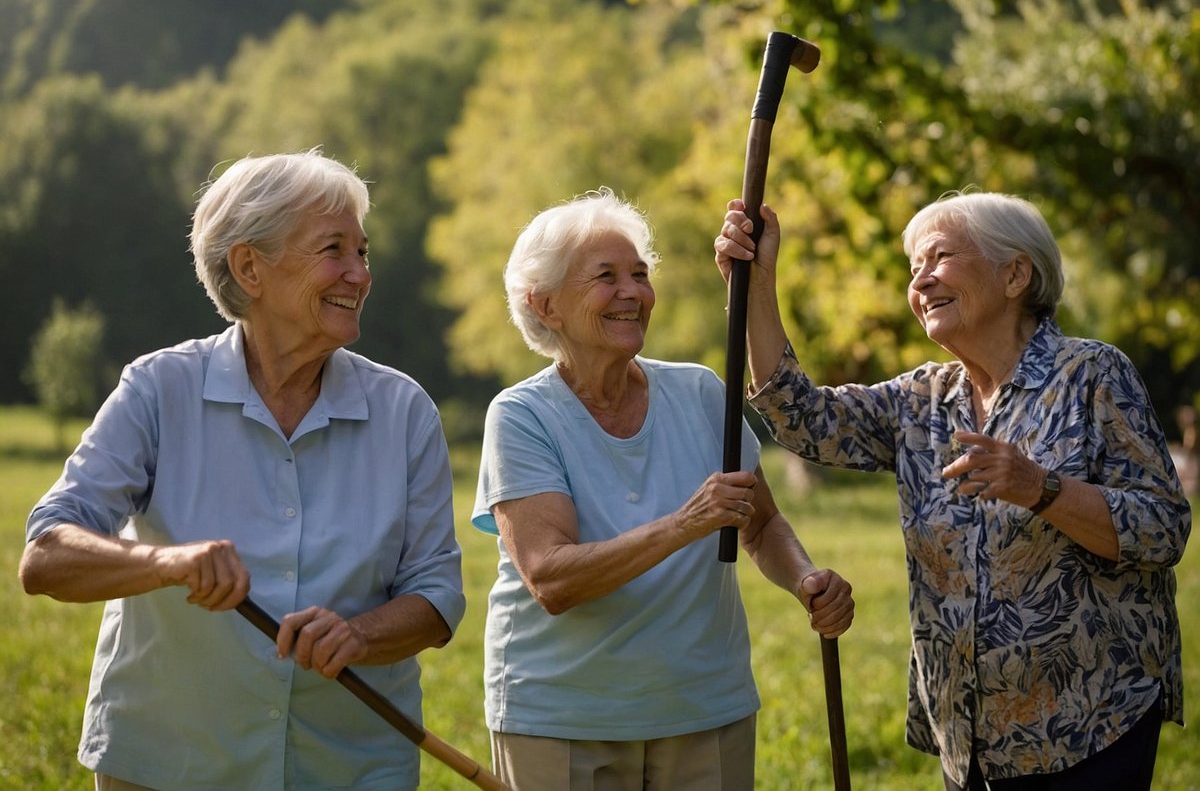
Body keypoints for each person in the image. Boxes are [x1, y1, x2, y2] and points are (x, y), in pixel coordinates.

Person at [714, 188, 1191, 790]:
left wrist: (1040, 488)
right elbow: (802, 418)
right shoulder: (924, 398)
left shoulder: (1092, 375)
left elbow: (1163, 529)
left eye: (940, 257)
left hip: (1089, 726)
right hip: (967, 735)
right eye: (914, 268)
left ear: (1015, 274)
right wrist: (757, 285)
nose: (921, 281)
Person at [18, 150, 466, 790]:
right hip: (170, 763)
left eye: (363, 252)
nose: (360, 274)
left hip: (348, 768)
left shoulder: (404, 411)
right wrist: (165, 562)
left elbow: (437, 595)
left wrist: (359, 636)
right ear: (250, 267)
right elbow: (46, 556)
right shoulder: (159, 389)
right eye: (333, 249)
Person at [472, 189, 855, 791]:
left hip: (704, 705)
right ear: (544, 305)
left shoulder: (700, 393)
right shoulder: (521, 416)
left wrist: (806, 580)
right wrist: (685, 523)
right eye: (606, 277)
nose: (633, 292)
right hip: (563, 716)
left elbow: (760, 524)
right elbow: (551, 578)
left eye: (640, 275)